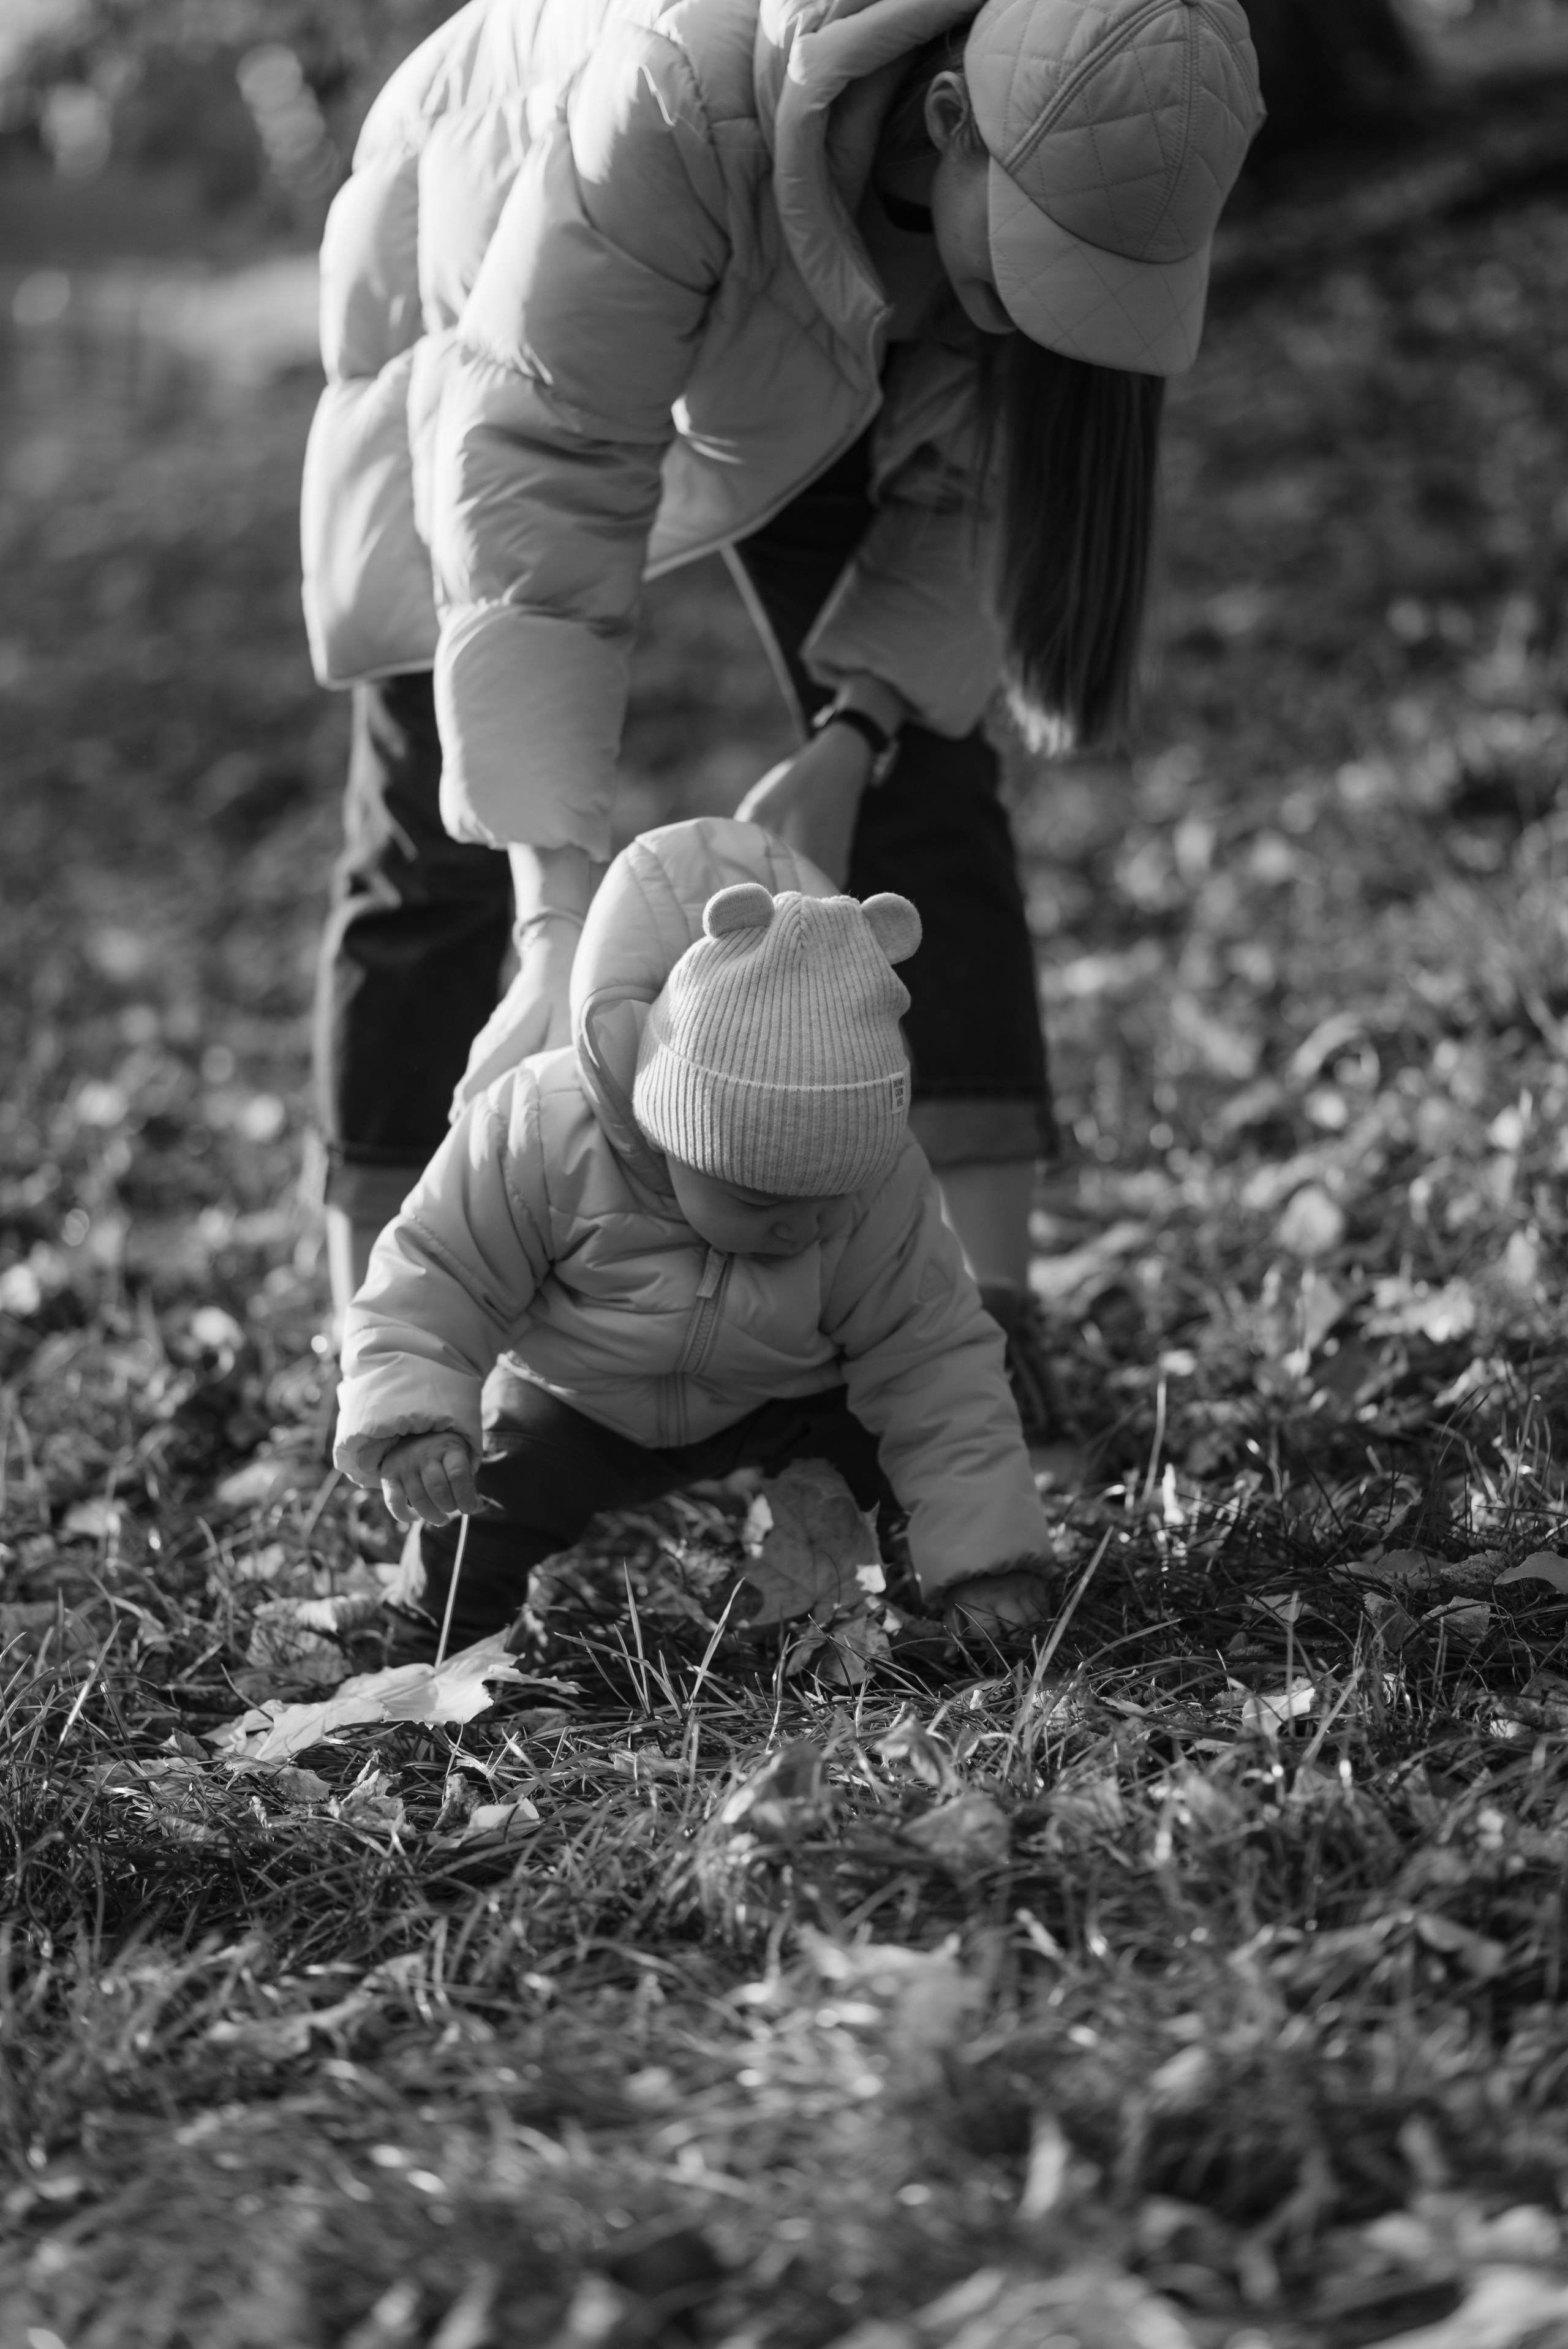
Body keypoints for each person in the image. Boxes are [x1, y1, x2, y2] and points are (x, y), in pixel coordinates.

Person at [303, 0, 1264, 1413]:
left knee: (929, 766)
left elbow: (959, 503)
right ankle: (383, 1345)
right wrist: (555, 916)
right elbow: (544, 488)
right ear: (948, 128)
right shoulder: (671, 102)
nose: (1052, 321)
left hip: (834, 288)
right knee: (431, 810)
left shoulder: (1079, 116)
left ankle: (985, 1331)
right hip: (492, 266)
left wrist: (854, 733)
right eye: (1037, 267)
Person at [333, 818, 1057, 1643]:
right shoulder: (540, 1129)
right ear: (667, 1129)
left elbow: (933, 1354)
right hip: (577, 1397)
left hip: (789, 1393)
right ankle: (432, 1630)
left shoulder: (876, 1179)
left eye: (829, 1200)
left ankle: (938, 1597)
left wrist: (988, 1555)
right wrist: (419, 1415)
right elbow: (438, 1269)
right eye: (760, 1200)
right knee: (484, 1499)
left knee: (884, 1456)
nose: (804, 1226)